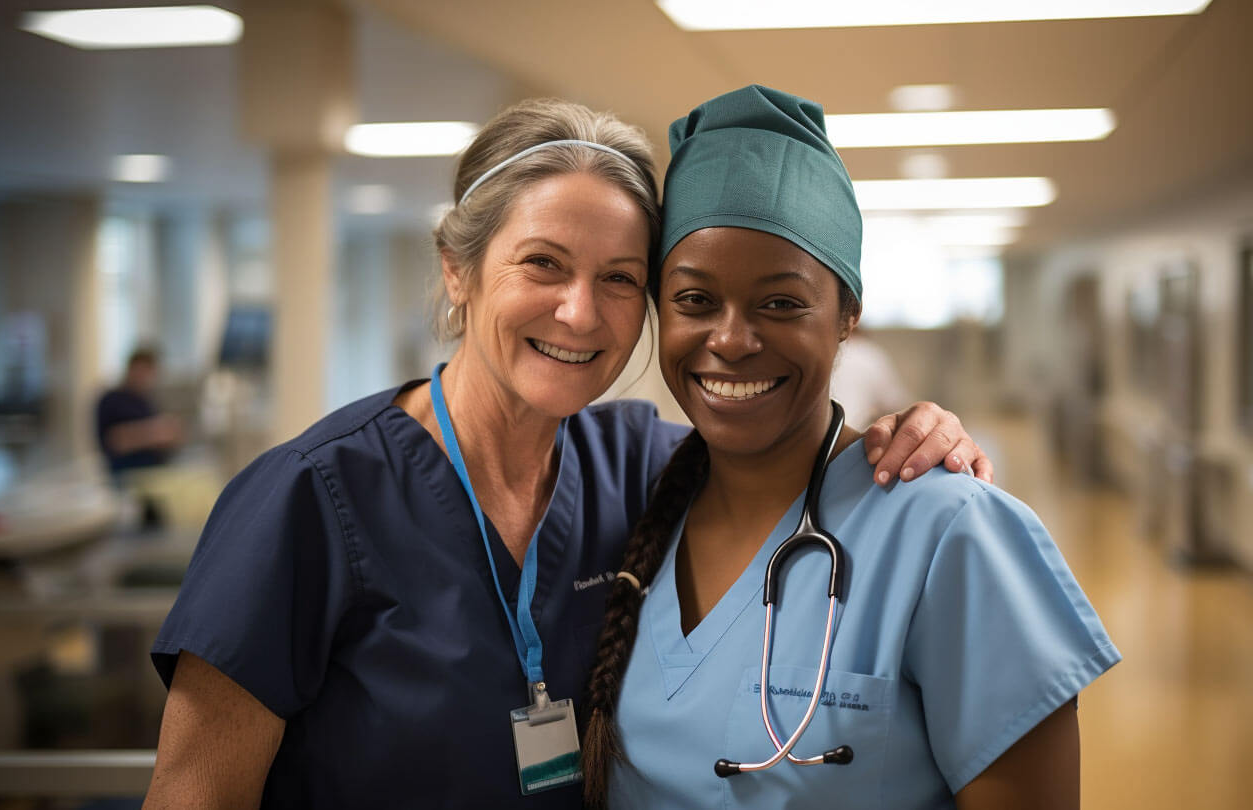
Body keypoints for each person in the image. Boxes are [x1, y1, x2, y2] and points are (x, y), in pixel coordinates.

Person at [143, 98, 993, 808]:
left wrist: (911, 431)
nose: (580, 315)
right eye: (542, 265)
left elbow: (786, 447)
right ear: (457, 269)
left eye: (620, 278)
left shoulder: (640, 467)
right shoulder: (311, 499)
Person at [581, 86, 1120, 809]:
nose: (732, 340)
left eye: (781, 303)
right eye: (696, 300)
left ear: (847, 317)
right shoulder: (635, 509)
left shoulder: (950, 532)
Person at [95, 346, 182, 478]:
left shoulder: (145, 401)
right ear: (131, 368)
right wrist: (155, 433)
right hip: (127, 475)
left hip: (153, 473)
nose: (145, 377)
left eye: (150, 372)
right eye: (142, 370)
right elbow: (115, 440)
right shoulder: (112, 400)